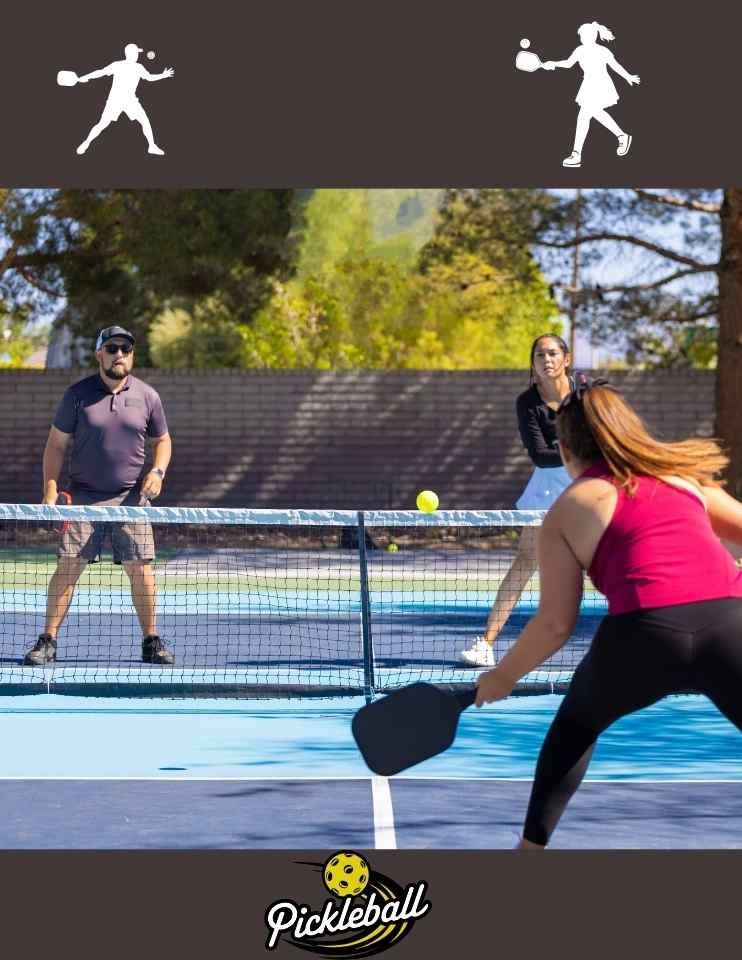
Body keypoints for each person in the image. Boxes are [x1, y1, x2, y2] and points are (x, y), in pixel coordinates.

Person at [475, 378, 742, 848]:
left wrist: (504, 676)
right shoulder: (685, 481)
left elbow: (557, 624)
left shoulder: (566, 509)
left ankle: (528, 854)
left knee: (576, 725)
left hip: (643, 636)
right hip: (729, 626)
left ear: (562, 449)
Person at [24, 326, 175, 667]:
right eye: (112, 348)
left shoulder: (148, 396)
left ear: (131, 355)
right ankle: (47, 640)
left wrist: (157, 472)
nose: (119, 354)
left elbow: (163, 440)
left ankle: (151, 641)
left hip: (131, 500)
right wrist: (50, 488)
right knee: (68, 566)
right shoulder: (76, 395)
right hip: (83, 498)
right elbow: (56, 444)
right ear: (99, 353)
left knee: (142, 570)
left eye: (126, 348)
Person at [458, 334, 575, 667]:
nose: (546, 360)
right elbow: (540, 455)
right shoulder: (527, 402)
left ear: (566, 358)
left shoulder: (585, 397)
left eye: (553, 353)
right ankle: (485, 643)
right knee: (526, 561)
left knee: (606, 564)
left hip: (589, 488)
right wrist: (582, 453)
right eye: (540, 355)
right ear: (534, 363)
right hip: (546, 491)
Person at [542, 22, 640, 169]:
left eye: (585, 35)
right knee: (591, 114)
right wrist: (553, 64)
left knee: (585, 115)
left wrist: (628, 76)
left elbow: (615, 65)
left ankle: (577, 154)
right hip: (588, 85)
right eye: (581, 35)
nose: (582, 37)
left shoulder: (603, 51)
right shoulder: (579, 50)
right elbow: (568, 64)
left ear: (593, 36)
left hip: (601, 84)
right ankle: (621, 136)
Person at [75, 43, 175, 156]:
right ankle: (86, 142)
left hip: (128, 100)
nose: (138, 55)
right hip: (116, 100)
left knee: (144, 121)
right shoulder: (128, 66)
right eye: (137, 53)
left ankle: (152, 146)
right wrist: (163, 75)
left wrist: (85, 77)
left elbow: (100, 72)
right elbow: (101, 72)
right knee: (102, 124)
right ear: (131, 54)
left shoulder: (134, 66)